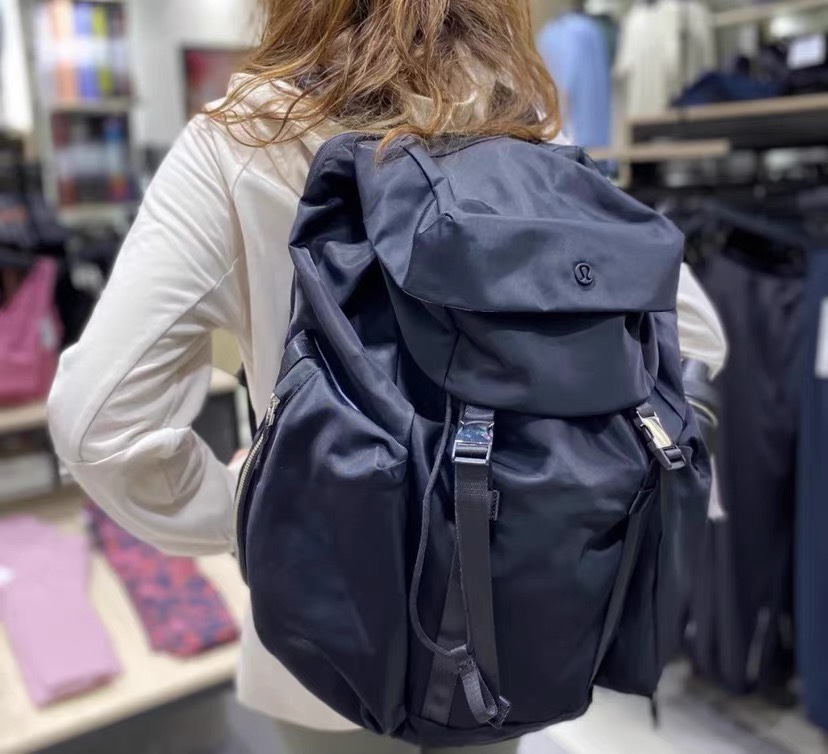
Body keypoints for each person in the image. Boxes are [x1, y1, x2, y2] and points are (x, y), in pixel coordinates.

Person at [47, 1, 727, 752]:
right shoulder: (525, 129)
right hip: (517, 626)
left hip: (332, 646)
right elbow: (694, 334)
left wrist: (249, 505)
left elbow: (100, 423)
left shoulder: (243, 140)